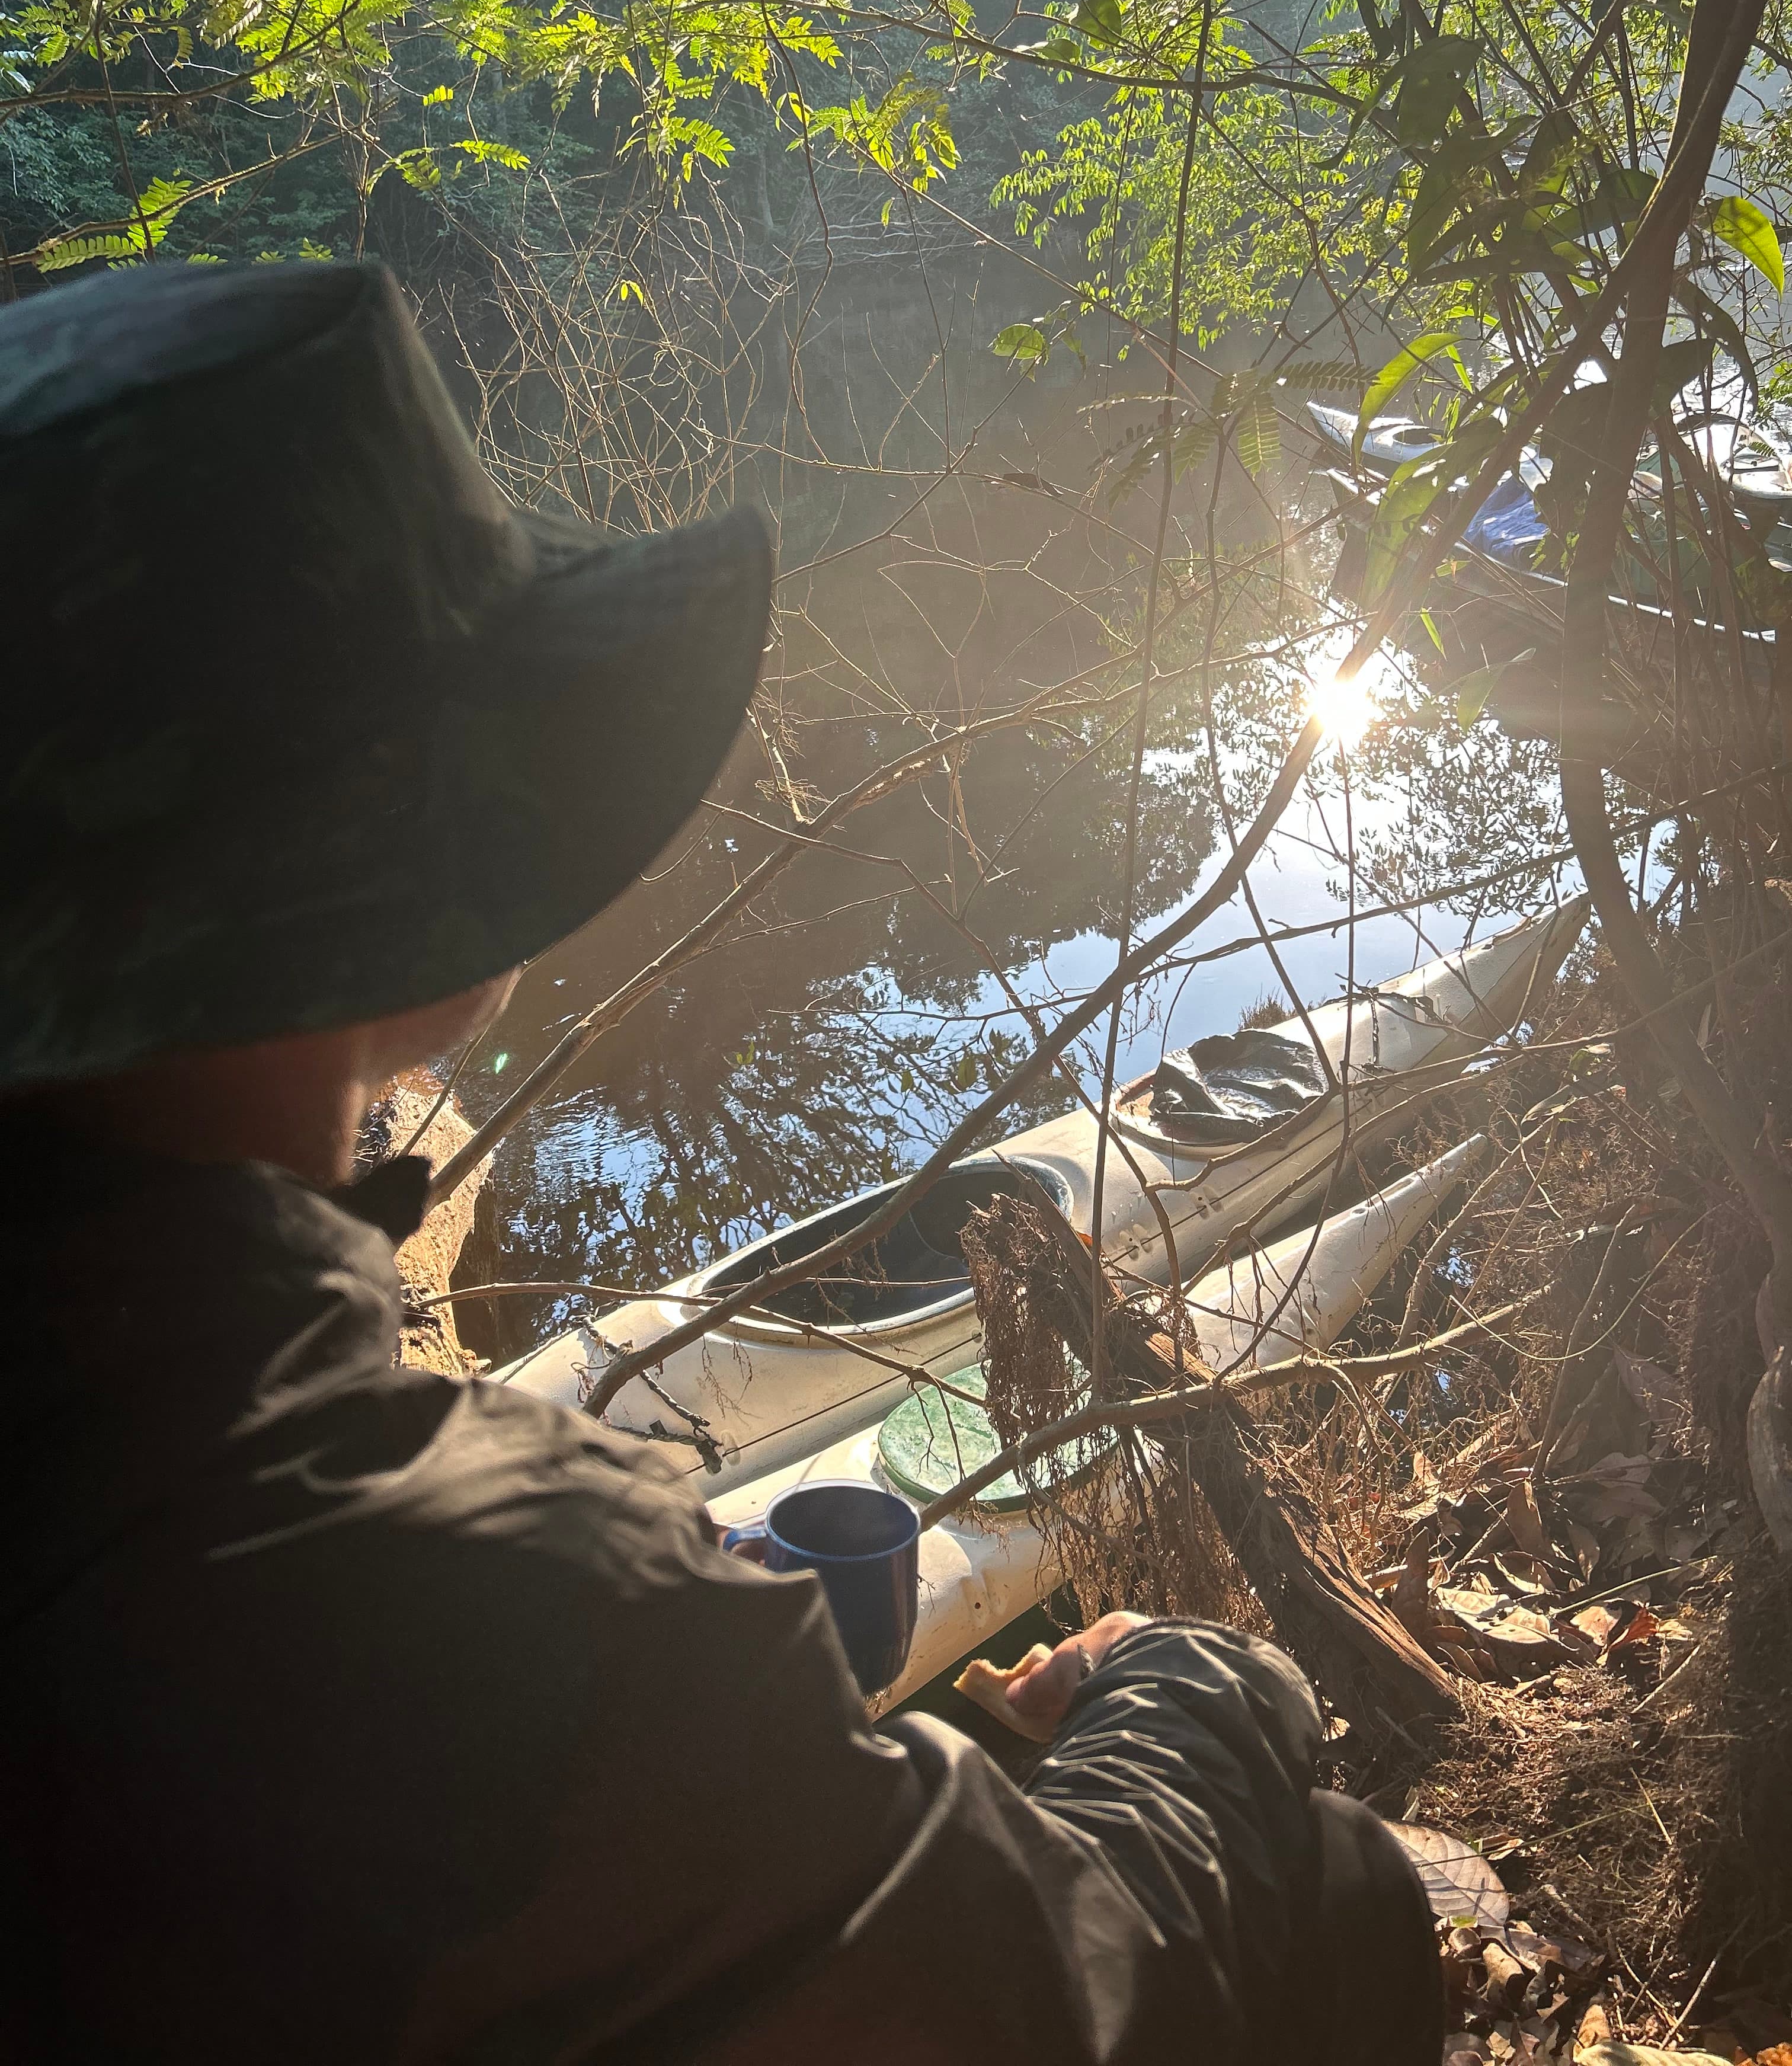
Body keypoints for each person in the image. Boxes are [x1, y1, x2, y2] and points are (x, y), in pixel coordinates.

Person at [1, 261, 1443, 2064]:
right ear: (433, 935)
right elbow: (1093, 2003)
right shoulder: (497, 1608)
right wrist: (1191, 1694)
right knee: (1343, 1896)